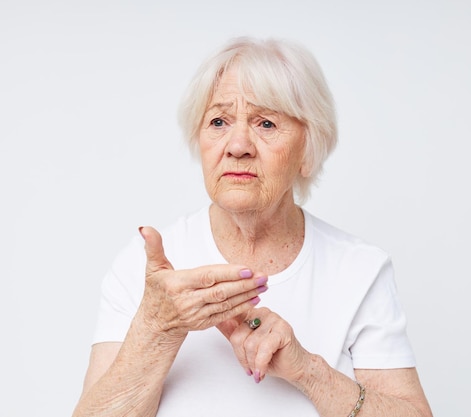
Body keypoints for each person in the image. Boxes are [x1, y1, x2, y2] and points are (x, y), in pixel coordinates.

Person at [72, 36, 433, 417]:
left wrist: (309, 372)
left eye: (265, 122)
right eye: (218, 121)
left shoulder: (361, 270)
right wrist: (157, 328)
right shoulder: (145, 270)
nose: (238, 145)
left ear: (307, 151)